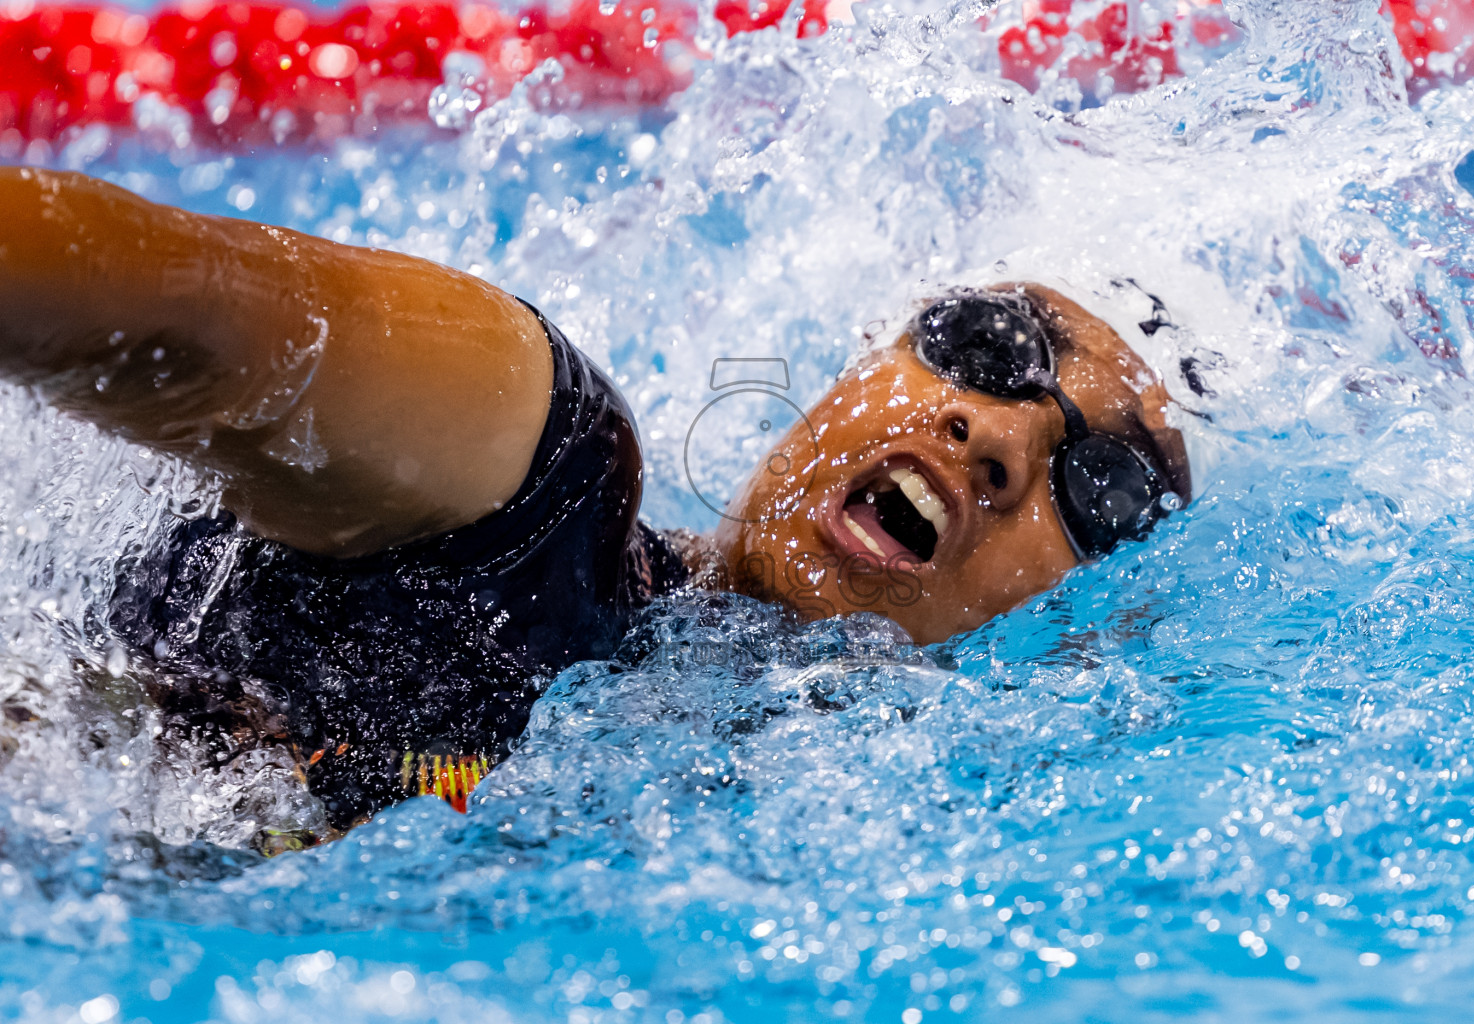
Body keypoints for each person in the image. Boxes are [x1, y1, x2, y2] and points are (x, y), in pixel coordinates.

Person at [0, 167, 1191, 835]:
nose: (999, 434)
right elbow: (181, 308)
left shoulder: (788, 839)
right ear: (864, 362)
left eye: (1106, 486)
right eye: (987, 341)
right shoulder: (535, 477)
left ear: (1095, 622)